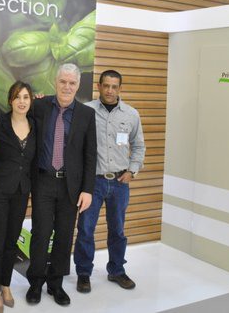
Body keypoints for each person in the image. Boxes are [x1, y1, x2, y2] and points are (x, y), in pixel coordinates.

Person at [25, 63, 97, 306]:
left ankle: (55, 284)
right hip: (43, 181)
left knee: (65, 236)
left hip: (70, 186)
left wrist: (87, 189)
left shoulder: (86, 114)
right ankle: (35, 282)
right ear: (55, 82)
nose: (67, 87)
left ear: (78, 85)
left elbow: (90, 154)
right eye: (63, 82)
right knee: (41, 234)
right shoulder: (39, 106)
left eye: (72, 83)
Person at [73, 70, 146, 293]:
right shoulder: (86, 111)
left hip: (119, 183)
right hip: (92, 183)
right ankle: (83, 273)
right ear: (99, 86)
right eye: (106, 85)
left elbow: (139, 146)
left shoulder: (131, 114)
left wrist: (132, 171)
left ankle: (117, 270)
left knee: (118, 230)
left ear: (120, 88)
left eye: (114, 87)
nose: (110, 90)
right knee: (86, 229)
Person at [0, 81, 36, 313]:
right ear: (10, 100)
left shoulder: (35, 125)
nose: (21, 101)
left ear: (30, 101)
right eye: (17, 97)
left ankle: (5, 285)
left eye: (26, 97)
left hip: (21, 191)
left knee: (10, 242)